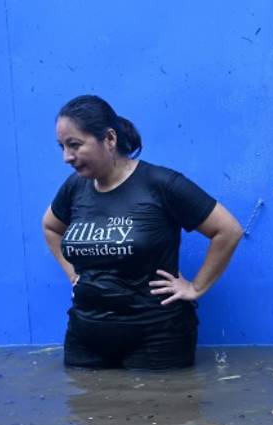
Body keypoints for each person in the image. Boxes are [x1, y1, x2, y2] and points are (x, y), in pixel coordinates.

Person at [41, 95, 242, 369]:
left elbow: (228, 230)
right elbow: (51, 227)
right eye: (62, 147)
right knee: (83, 409)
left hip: (157, 337)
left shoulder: (161, 183)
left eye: (74, 145)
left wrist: (195, 287)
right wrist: (74, 276)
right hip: (86, 337)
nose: (66, 157)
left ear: (109, 139)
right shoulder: (74, 188)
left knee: (159, 408)